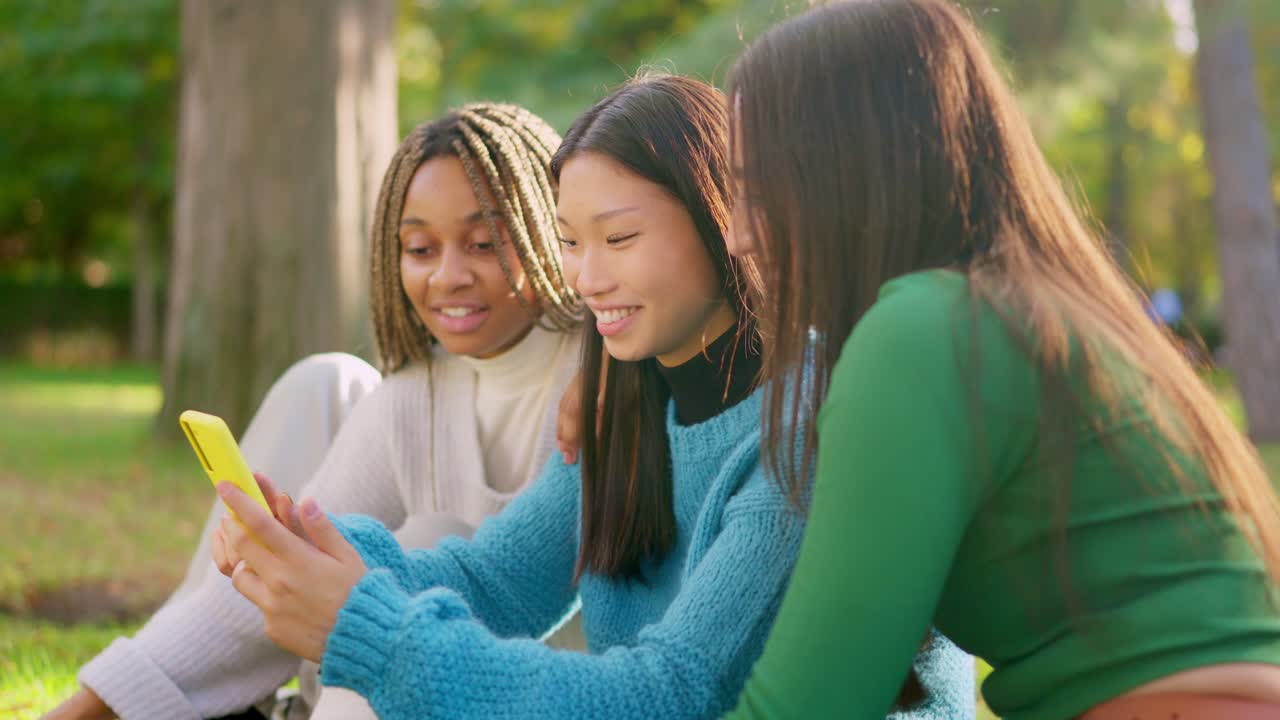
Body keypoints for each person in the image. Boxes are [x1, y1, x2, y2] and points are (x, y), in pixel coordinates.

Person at [212, 74, 976, 720]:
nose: (586, 277)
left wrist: (370, 632)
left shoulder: (804, 433)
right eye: (570, 242)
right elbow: (496, 582)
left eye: (618, 240)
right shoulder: (628, 403)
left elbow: (670, 694)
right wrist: (319, 546)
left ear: (724, 223)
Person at [722, 1, 1280, 718]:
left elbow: (804, 709)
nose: (737, 234)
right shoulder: (1031, 315)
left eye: (754, 189)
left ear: (849, 171)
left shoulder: (924, 333)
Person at [50, 102, 585, 720]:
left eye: (483, 243)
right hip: (375, 679)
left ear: (550, 228)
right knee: (317, 449)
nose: (448, 276)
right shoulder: (412, 396)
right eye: (419, 248)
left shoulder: (603, 376)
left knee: (433, 543)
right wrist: (90, 706)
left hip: (531, 691)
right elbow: (273, 577)